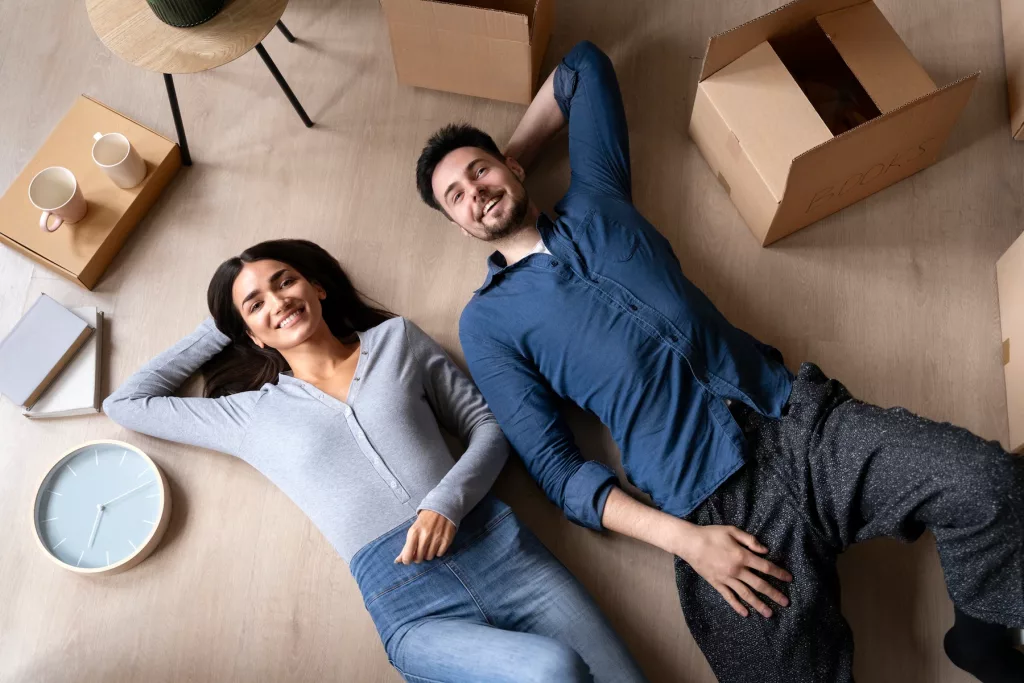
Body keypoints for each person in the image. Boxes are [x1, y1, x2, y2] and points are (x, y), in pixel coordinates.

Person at [415, 40, 1024, 683]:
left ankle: (981, 643)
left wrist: (508, 163)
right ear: (458, 227)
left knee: (988, 482)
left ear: (510, 165)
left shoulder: (597, 198)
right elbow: (559, 473)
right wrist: (688, 543)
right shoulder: (486, 323)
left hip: (801, 422)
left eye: (478, 172)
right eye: (455, 197)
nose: (474, 194)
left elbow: (582, 67)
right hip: (715, 510)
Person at [103, 239, 648, 683]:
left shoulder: (396, 340)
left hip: (508, 557)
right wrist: (217, 324)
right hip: (414, 609)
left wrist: (447, 503)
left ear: (315, 287)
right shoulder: (249, 416)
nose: (277, 301)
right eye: (255, 303)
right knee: (552, 670)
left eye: (284, 281)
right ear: (249, 332)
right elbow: (125, 404)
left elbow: (486, 426)